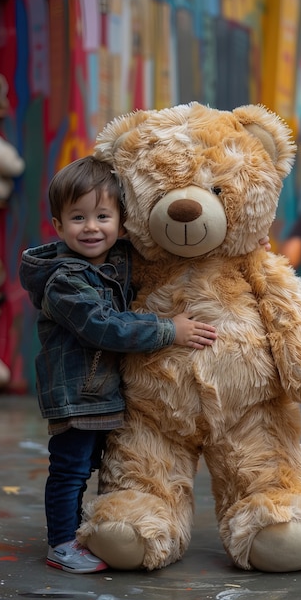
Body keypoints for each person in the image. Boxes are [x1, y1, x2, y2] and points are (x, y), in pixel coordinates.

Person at [19, 156, 219, 574]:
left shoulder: (116, 259)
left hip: (104, 391)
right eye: (78, 217)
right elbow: (103, 327)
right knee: (70, 470)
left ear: (122, 223)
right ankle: (61, 543)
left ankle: (88, 532)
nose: (91, 227)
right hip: (77, 395)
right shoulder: (64, 281)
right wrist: (169, 330)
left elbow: (169, 253)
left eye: (103, 216)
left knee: (94, 467)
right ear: (58, 225)